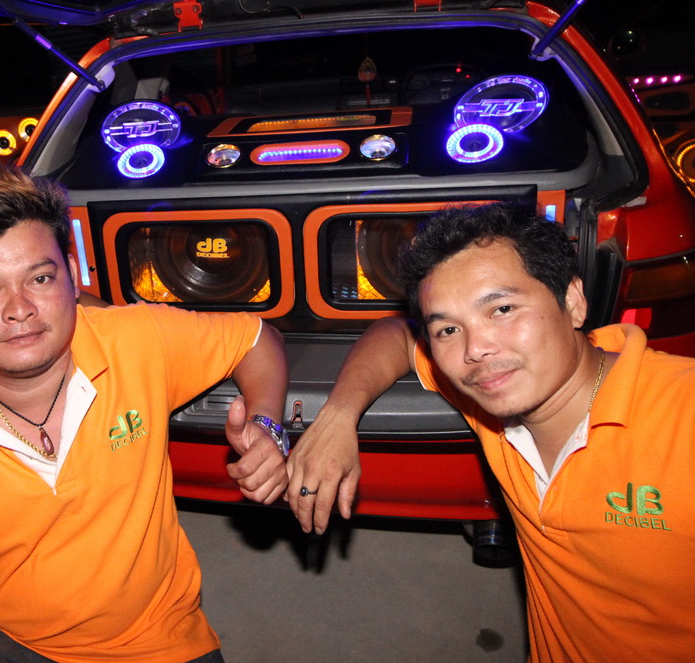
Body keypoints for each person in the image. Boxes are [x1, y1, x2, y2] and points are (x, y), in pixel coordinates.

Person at [0, 167, 289, 662]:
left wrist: (267, 426)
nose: (20, 308)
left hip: (164, 641)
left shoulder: (137, 339)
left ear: (71, 275)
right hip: (9, 643)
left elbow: (258, 339)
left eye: (39, 279)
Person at [282, 201, 695, 660]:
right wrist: (339, 415)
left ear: (573, 302)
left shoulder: (681, 416)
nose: (475, 349)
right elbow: (396, 334)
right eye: (448, 330)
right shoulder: (493, 396)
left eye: (502, 308)